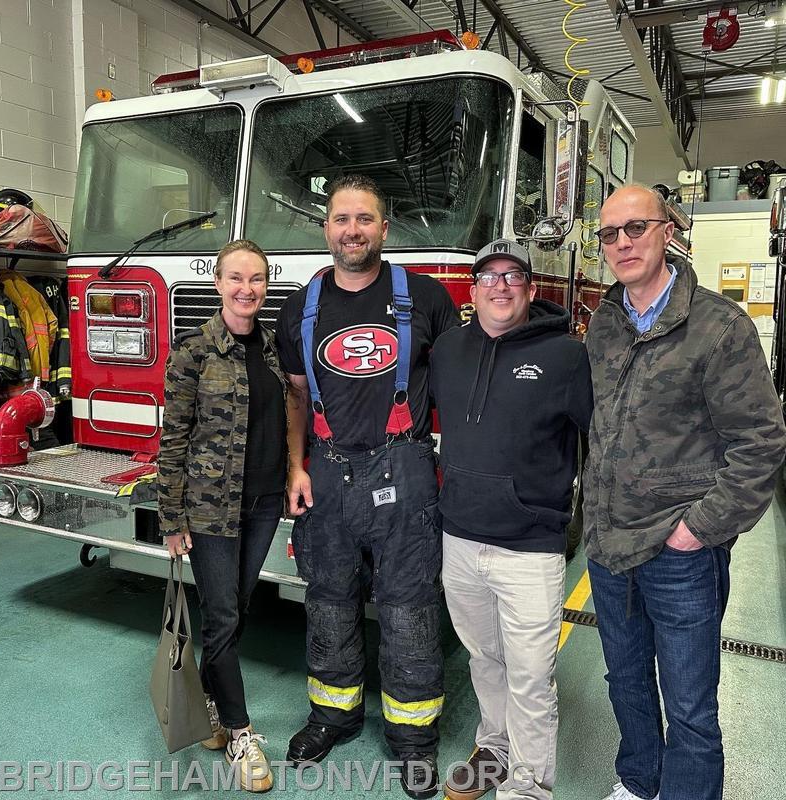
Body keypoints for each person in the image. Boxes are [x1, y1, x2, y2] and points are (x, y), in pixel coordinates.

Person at [584, 185, 786, 800]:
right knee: (626, 683)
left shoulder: (717, 327)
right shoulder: (604, 324)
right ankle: (640, 781)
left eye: (635, 228)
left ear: (668, 231)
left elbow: (760, 443)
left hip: (681, 555)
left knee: (691, 704)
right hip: (609, 546)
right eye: (609, 234)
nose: (622, 243)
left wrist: (697, 530)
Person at [275, 174, 458, 799]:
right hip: (326, 471)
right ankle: (333, 716)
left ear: (385, 228)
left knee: (409, 607)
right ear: (326, 229)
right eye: (340, 219)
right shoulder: (300, 307)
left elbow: (458, 393)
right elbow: (296, 397)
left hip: (404, 470)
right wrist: (296, 468)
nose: (352, 230)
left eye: (364, 219)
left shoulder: (428, 299)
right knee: (327, 599)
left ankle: (413, 738)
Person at [430, 239, 592, 800]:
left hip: (530, 546)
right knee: (485, 658)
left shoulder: (567, 357)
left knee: (530, 677)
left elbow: (601, 439)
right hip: (460, 538)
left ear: (530, 287)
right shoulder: (448, 350)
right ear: (473, 291)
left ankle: (527, 788)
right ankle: (494, 749)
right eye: (489, 276)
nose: (500, 285)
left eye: (513, 276)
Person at [157, 239, 288, 793]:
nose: (246, 289)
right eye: (236, 278)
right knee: (224, 616)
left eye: (256, 279)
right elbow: (174, 439)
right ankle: (239, 731)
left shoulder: (276, 348)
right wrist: (171, 517)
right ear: (218, 284)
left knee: (235, 610)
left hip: (262, 504)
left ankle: (212, 706)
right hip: (210, 508)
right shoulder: (193, 352)